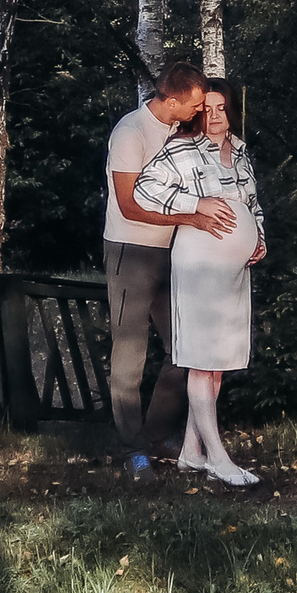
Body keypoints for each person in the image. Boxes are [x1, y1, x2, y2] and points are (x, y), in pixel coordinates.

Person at [133, 87, 266, 486]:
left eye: (222, 108)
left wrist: (258, 236)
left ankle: (191, 453)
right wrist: (195, 205)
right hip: (199, 264)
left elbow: (252, 204)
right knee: (202, 360)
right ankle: (218, 459)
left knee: (218, 361)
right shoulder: (182, 148)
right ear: (196, 114)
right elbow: (145, 188)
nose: (216, 116)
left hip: (233, 269)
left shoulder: (239, 151)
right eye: (207, 109)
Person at [104, 65, 212, 471]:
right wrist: (190, 218)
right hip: (130, 250)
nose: (199, 110)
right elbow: (129, 206)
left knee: (183, 349)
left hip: (173, 253)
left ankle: (154, 435)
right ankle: (131, 449)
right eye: (195, 104)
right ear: (172, 101)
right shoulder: (130, 132)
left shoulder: (180, 133)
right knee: (129, 355)